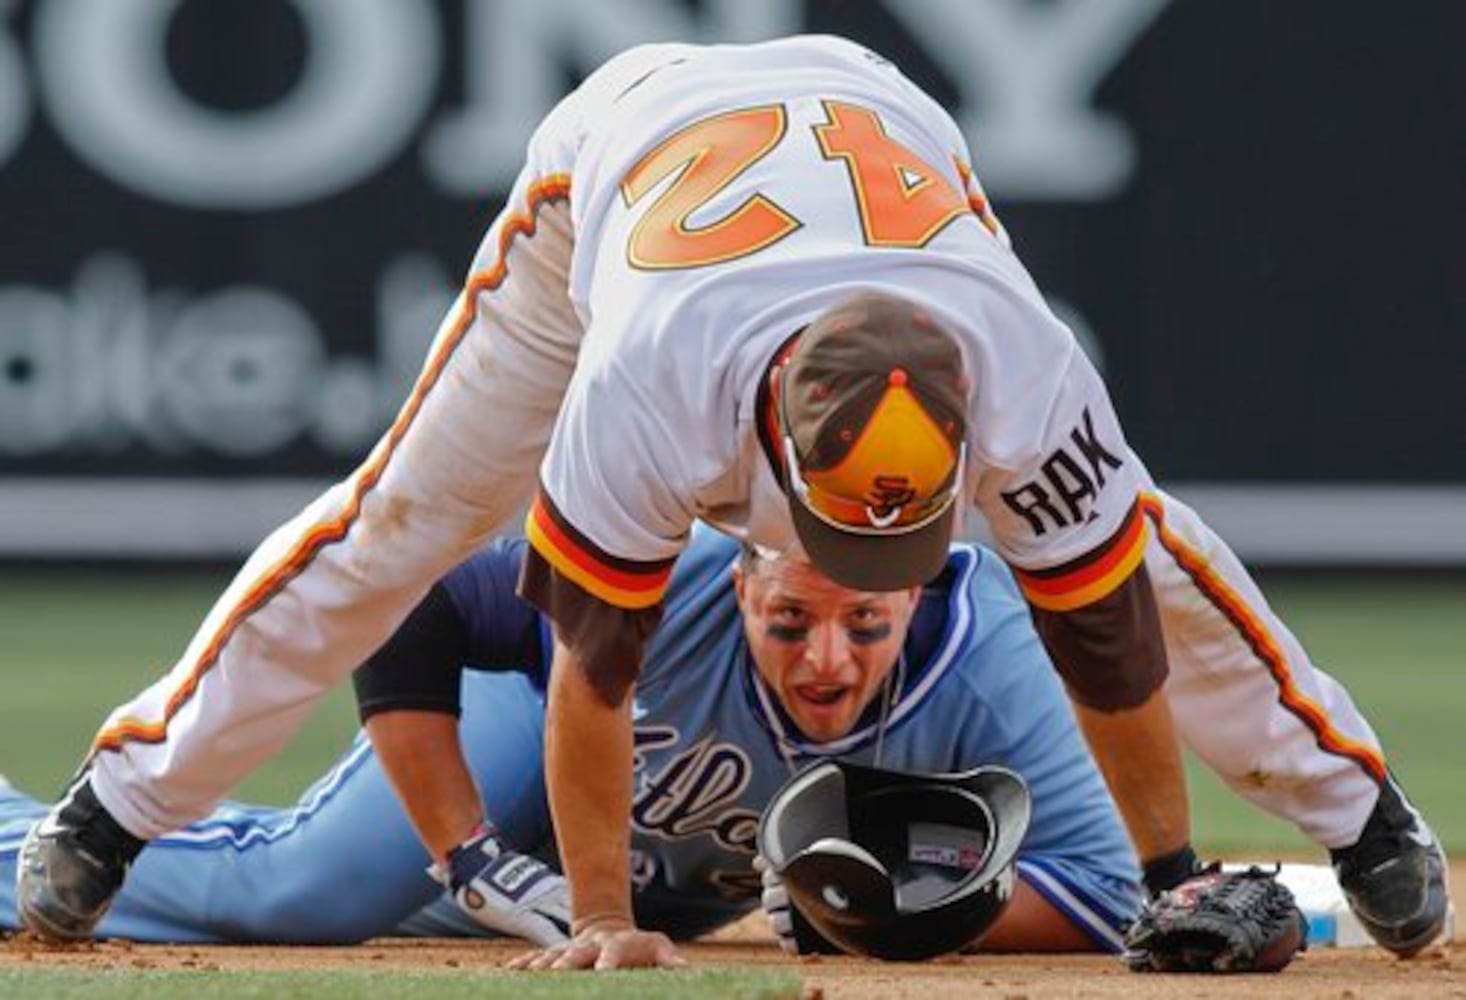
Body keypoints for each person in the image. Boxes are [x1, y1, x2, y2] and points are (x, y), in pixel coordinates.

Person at [18, 35, 1445, 969]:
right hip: (617, 164)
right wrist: (600, 918)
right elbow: (594, 660)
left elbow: (1108, 620)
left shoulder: (1021, 362)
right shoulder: (650, 378)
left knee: (1127, 537)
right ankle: (122, 800)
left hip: (885, 127)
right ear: (767, 432)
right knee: (406, 517)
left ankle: (1364, 812)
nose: (852, 561)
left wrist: (1171, 875)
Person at [2, 531, 1139, 952]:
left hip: (666, 875)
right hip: (532, 724)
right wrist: (466, 853)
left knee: (337, 880)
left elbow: (1099, 887)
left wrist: (896, 910)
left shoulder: (988, 656)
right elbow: (413, 602)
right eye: (788, 619)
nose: (826, 660)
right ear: (739, 571)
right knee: (315, 889)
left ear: (920, 584)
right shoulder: (666, 566)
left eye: (866, 622)